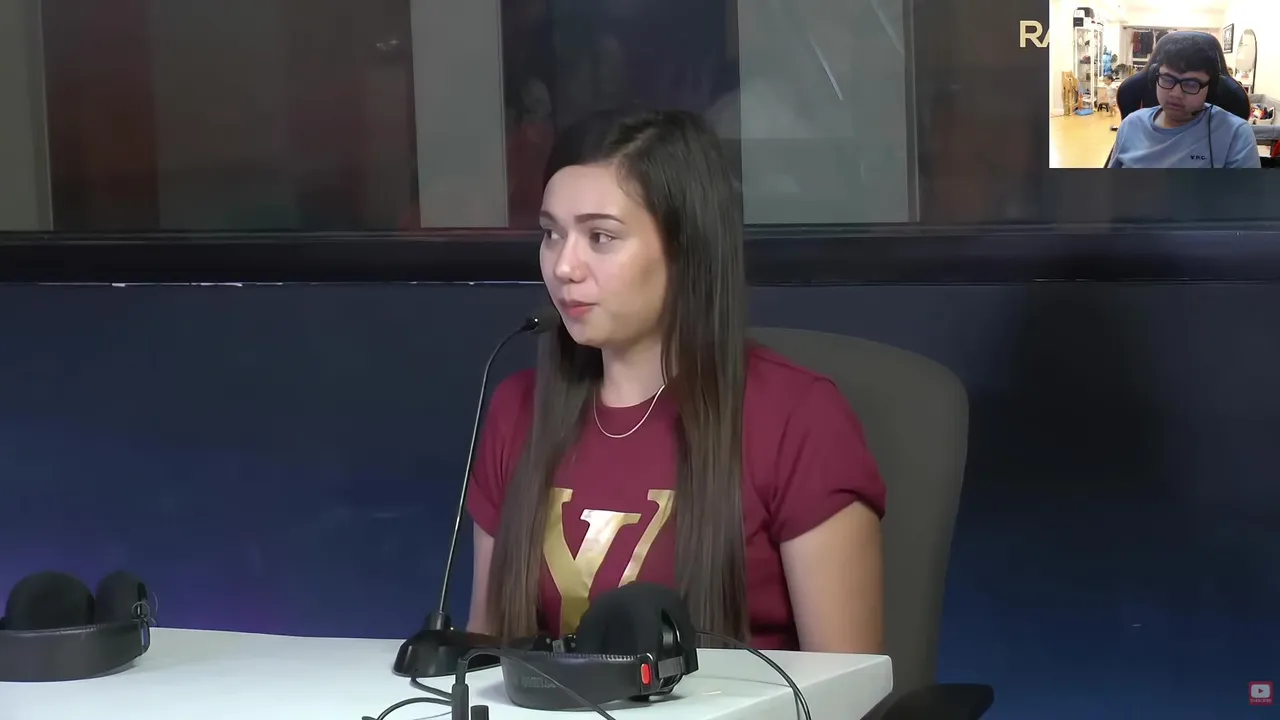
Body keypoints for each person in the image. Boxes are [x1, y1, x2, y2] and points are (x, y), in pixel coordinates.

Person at [464, 108, 886, 652]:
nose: (564, 266)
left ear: (686, 250)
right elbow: (483, 655)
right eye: (551, 234)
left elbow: (849, 686)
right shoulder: (516, 408)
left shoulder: (799, 419)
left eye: (600, 237)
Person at [1108, 35, 1259, 168]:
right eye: (1167, 79)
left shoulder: (1236, 134)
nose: (1175, 94)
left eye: (1191, 84)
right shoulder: (1131, 124)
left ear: (1210, 88)